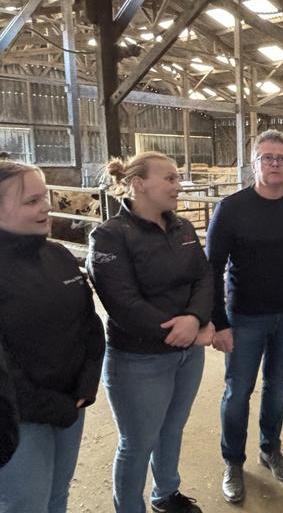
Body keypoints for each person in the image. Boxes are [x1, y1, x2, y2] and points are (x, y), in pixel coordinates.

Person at [86, 151, 214, 513]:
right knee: (138, 442)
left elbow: (204, 277)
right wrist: (187, 330)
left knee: (172, 428)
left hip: (187, 354)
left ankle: (165, 494)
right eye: (170, 179)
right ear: (139, 184)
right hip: (138, 358)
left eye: (178, 178)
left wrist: (194, 318)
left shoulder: (183, 228)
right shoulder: (110, 237)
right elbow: (124, 304)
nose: (178, 185)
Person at [206, 129, 283, 503]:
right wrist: (218, 321)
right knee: (238, 391)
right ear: (254, 164)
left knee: (277, 386)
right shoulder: (231, 208)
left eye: (281, 158)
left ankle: (270, 449)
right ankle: (233, 462)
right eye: (267, 157)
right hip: (245, 317)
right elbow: (212, 268)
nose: (274, 163)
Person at [0, 161, 104, 512]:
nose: (46, 206)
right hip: (19, 417)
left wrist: (86, 385)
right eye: (31, 201)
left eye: (44, 197)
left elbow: (90, 325)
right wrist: (51, 406)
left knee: (58, 493)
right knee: (25, 503)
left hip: (71, 404)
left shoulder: (57, 255)